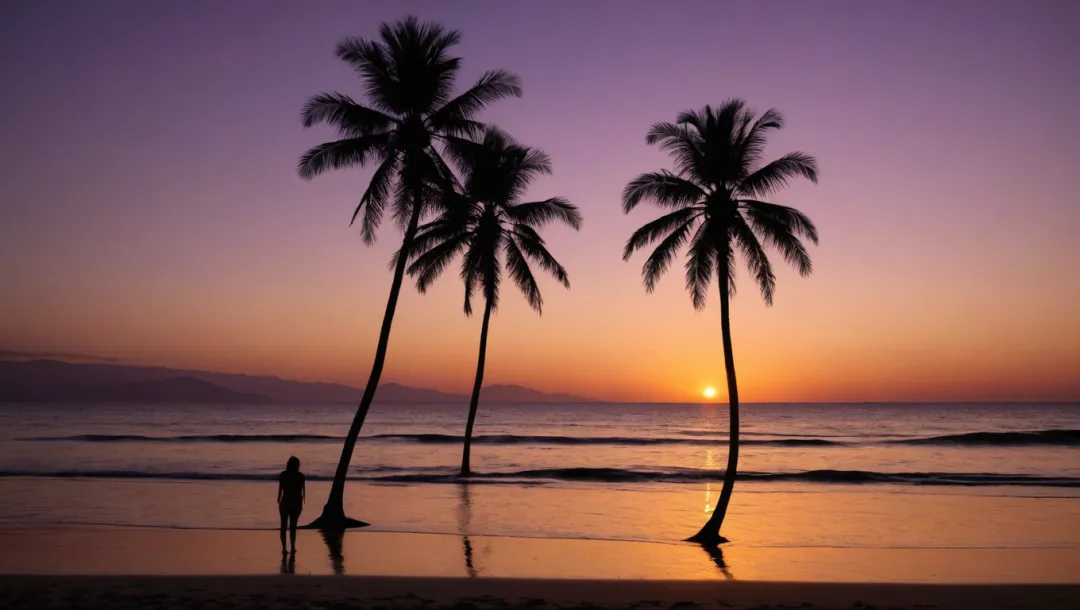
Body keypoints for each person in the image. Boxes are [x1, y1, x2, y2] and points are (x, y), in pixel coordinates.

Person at [277, 456, 305, 554]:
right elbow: (301, 492)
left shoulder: (283, 475)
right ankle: (293, 547)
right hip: (296, 503)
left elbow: (280, 491)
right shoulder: (301, 476)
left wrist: (278, 500)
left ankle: (284, 548)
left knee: (283, 526)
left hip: (285, 502)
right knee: (293, 527)